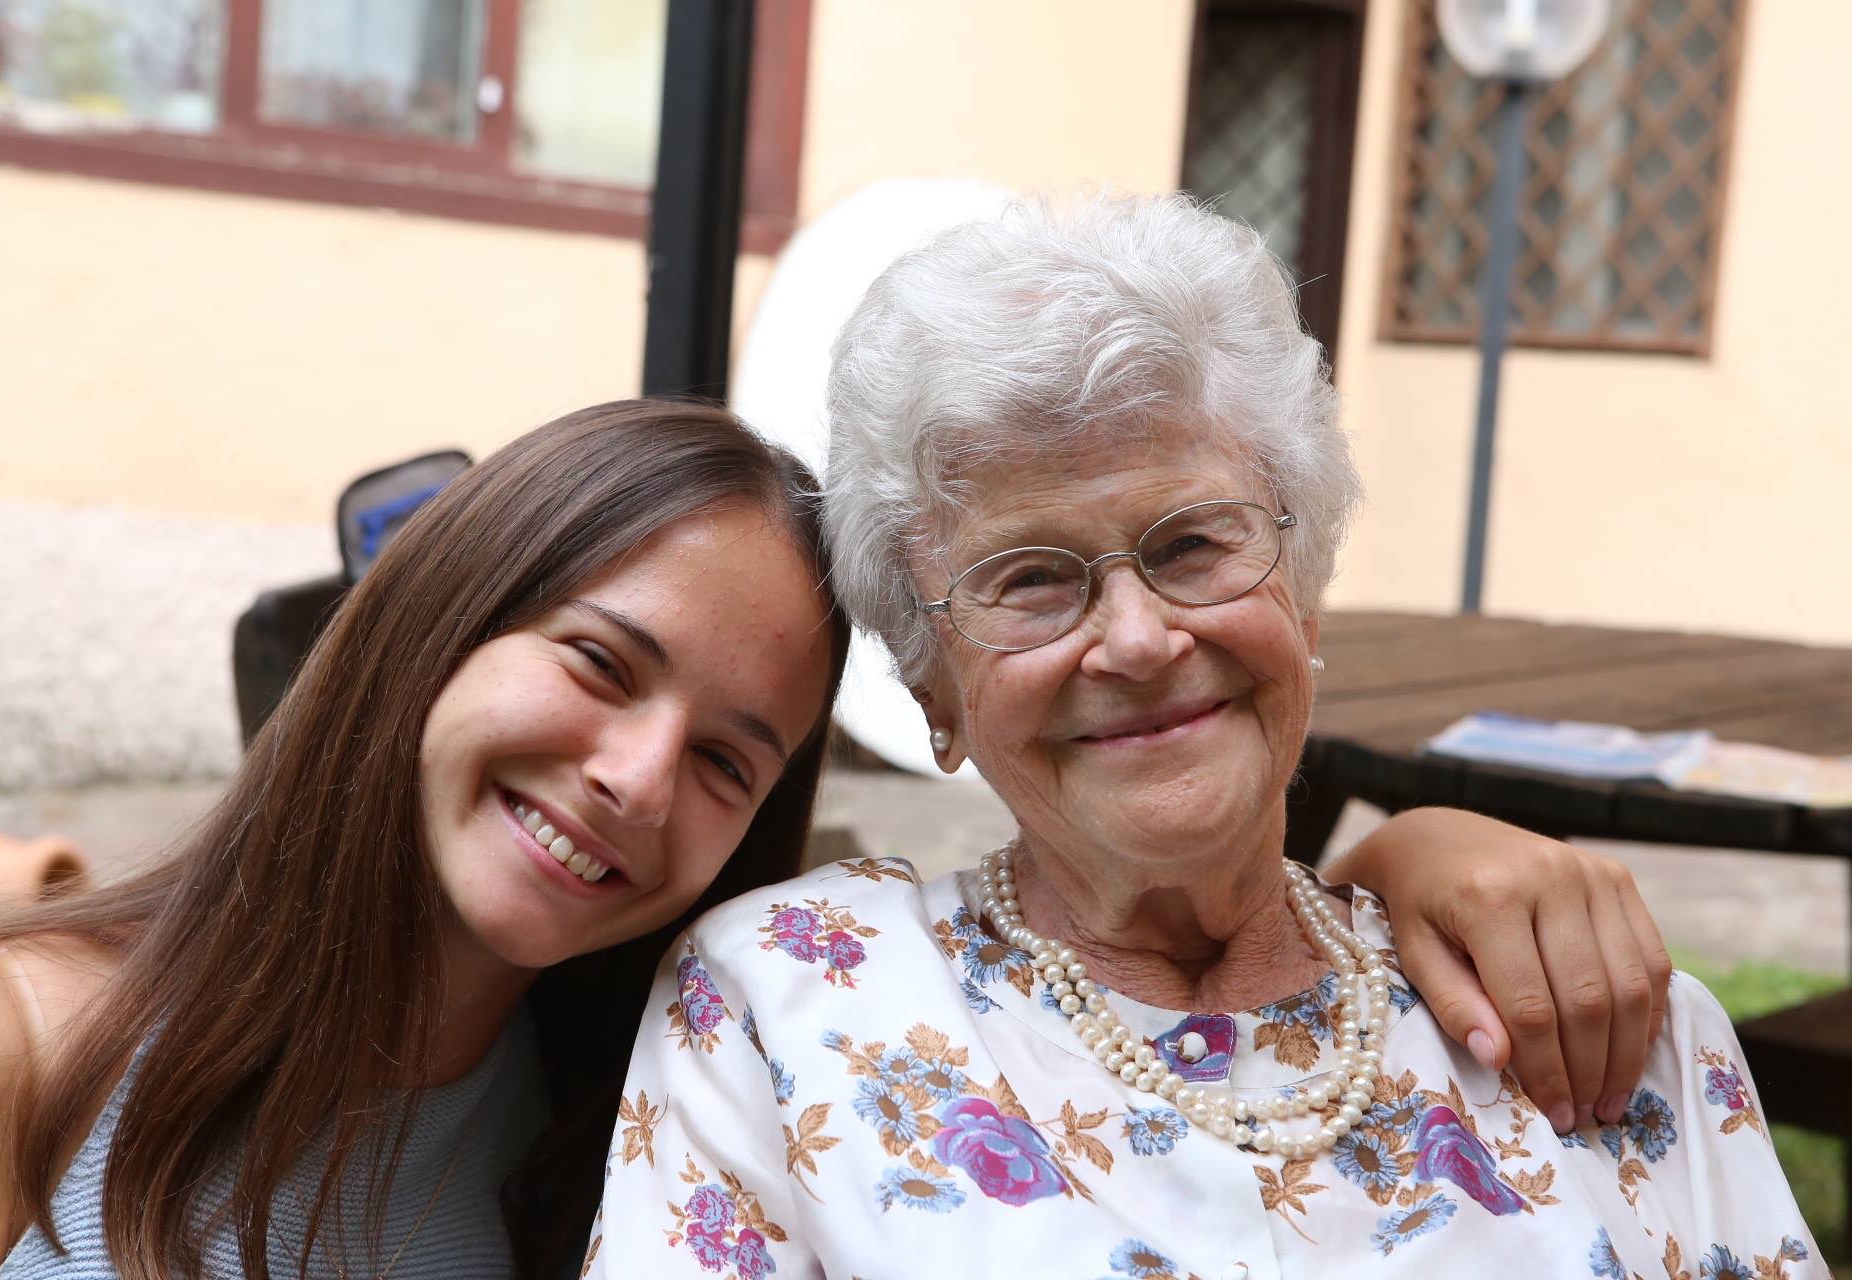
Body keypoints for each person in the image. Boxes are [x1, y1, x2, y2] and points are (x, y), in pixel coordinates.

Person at [0, 403, 1687, 1280]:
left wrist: (1405, 860)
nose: (631, 779)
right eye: (596, 666)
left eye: (727, 758)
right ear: (420, 633)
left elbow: (1168, 925)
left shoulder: (659, 1099)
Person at [584, 199, 1821, 1279]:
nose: (1136, 639)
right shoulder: (789, 1005)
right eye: (1030, 579)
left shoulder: (1582, 1007)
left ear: (1306, 587)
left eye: (1192, 544)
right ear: (934, 692)